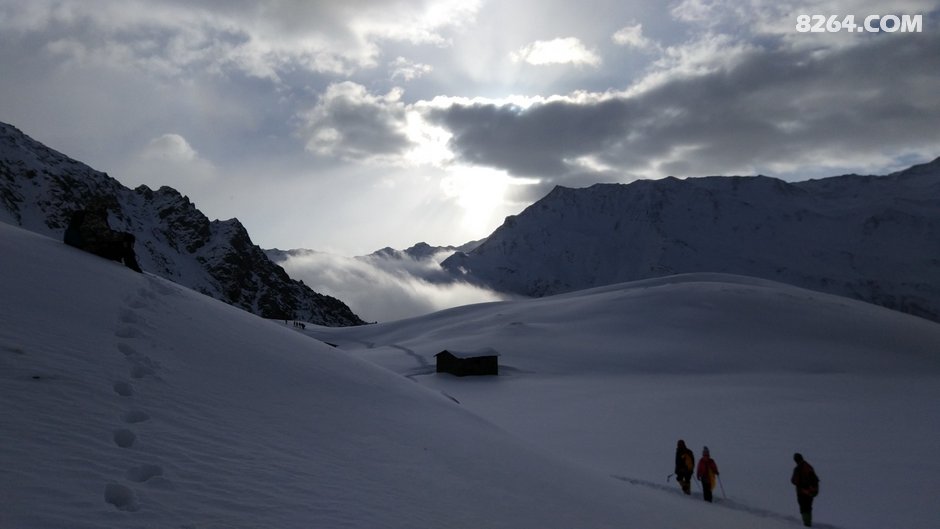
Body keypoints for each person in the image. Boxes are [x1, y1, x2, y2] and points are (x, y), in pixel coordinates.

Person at [64, 203, 142, 273]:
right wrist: (124, 236)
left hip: (88, 245)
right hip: (92, 248)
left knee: (120, 245)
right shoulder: (94, 218)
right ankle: (133, 269)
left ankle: (122, 266)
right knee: (124, 247)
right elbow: (106, 235)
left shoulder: (87, 216)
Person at [791, 453, 820, 527]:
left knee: (804, 509)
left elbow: (794, 481)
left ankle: (807, 525)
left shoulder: (798, 468)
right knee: (808, 508)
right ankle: (808, 523)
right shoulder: (808, 466)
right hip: (810, 492)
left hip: (802, 492)